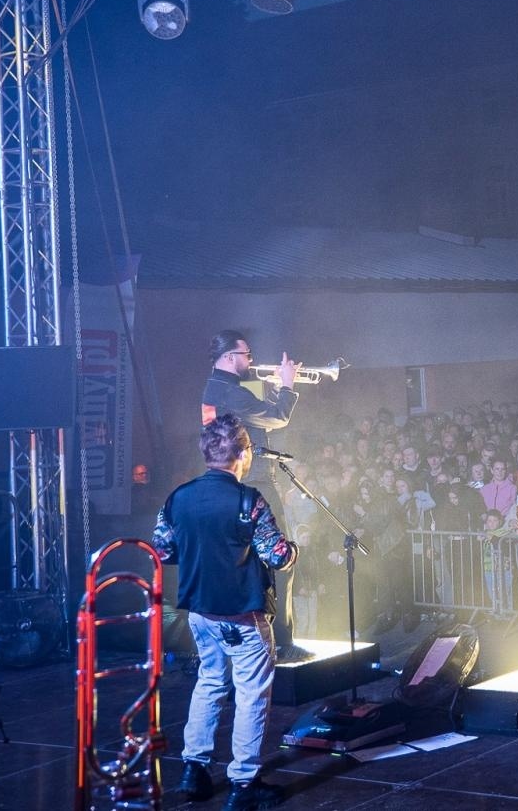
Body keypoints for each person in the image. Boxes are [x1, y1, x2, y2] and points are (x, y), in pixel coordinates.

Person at [154, 413, 298, 810]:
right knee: (251, 693)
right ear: (243, 453)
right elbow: (277, 556)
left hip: (200, 612)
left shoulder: (178, 498)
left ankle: (194, 770)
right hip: (241, 614)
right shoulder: (247, 500)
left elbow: (162, 550)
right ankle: (243, 784)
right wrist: (294, 550)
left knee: (210, 682)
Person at [200, 330, 311, 661]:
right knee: (281, 557)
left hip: (232, 483)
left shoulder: (217, 388)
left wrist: (276, 387)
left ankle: (257, 639)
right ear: (229, 357)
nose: (251, 360)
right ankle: (284, 641)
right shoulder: (229, 392)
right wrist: (288, 384)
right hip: (255, 482)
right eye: (246, 354)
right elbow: (277, 417)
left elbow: (259, 413)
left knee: (247, 564)